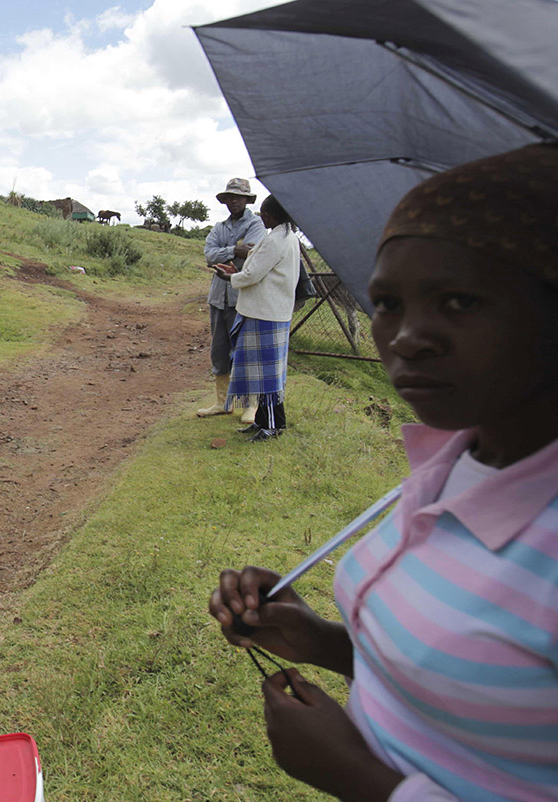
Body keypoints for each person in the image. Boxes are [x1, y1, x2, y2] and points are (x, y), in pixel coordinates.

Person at [208, 144, 558, 801]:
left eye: (457, 300)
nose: (404, 335)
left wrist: (367, 784)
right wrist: (321, 641)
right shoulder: (450, 464)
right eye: (388, 303)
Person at [212, 195, 300, 442]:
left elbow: (253, 275)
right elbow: (258, 273)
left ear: (273, 216)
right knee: (263, 373)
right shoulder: (286, 238)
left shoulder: (275, 241)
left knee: (266, 374)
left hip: (265, 315)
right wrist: (239, 274)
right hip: (270, 312)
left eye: (264, 213)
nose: (262, 217)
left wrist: (231, 277)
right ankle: (263, 421)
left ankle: (272, 425)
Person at [198, 178, 265, 421]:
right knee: (219, 351)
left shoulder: (257, 225)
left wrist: (229, 252)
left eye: (239, 197)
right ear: (225, 200)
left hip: (243, 299)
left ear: (247, 200)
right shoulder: (219, 227)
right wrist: (234, 250)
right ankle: (222, 402)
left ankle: (251, 404)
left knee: (245, 351)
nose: (234, 201)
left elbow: (254, 254)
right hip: (218, 298)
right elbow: (209, 255)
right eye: (230, 197)